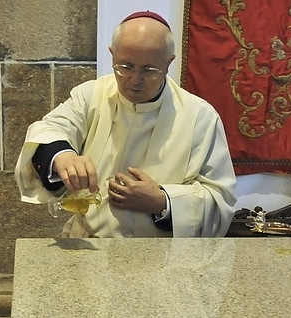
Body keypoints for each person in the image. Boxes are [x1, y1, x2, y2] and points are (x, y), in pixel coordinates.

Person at [15, 10, 236, 238]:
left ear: (169, 62)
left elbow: (220, 200)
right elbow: (48, 129)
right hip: (90, 248)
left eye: (149, 70)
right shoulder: (91, 95)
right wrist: (64, 157)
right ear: (112, 55)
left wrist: (162, 201)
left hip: (162, 258)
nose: (135, 80)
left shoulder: (200, 117)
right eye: (125, 66)